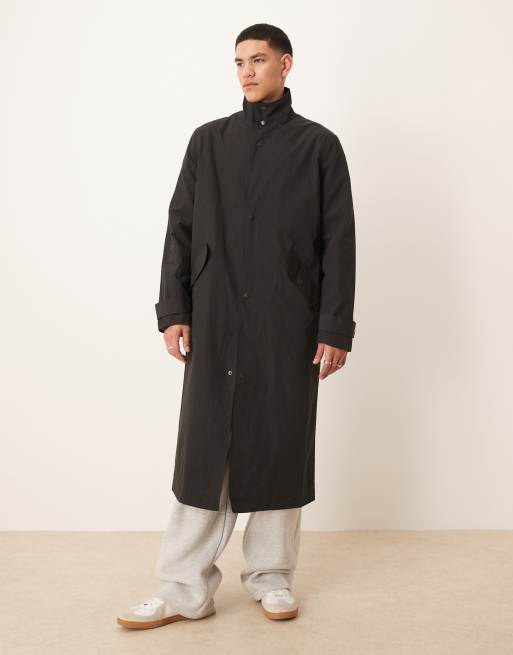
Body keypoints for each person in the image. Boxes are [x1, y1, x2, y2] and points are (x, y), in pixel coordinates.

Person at [117, 22, 356, 629]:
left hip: (288, 320)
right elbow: (179, 229)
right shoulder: (208, 142)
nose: (247, 71)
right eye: (239, 62)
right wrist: (173, 311)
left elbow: (339, 241)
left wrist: (334, 326)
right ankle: (182, 588)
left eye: (258, 60)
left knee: (278, 444)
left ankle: (272, 577)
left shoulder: (319, 146)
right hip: (216, 317)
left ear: (286, 64)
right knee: (205, 454)